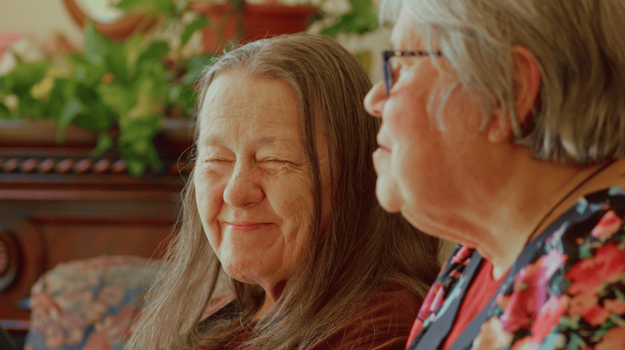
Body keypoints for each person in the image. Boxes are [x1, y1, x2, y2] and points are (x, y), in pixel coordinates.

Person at [126, 33, 440, 350]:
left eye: (275, 160)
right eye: (216, 158)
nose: (235, 192)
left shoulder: (378, 330)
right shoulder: (239, 314)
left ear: (355, 173)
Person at [363, 0, 625, 349]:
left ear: (508, 90)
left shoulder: (606, 284)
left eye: (400, 67)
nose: (374, 98)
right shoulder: (481, 252)